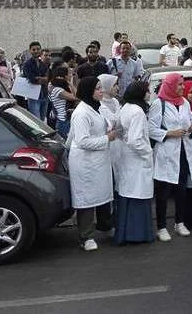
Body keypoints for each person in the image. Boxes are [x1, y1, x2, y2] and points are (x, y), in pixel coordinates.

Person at [68, 76, 116, 251]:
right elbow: (82, 141)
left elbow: (109, 121)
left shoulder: (97, 107)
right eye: (97, 88)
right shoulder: (81, 113)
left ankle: (105, 225)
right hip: (85, 161)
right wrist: (107, 138)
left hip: (99, 159)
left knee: (103, 194)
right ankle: (86, 236)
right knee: (87, 199)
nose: (101, 91)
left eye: (101, 87)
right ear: (89, 91)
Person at [149, 73, 192, 242]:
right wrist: (169, 133)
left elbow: (189, 121)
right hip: (166, 153)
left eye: (183, 84)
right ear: (170, 85)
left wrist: (191, 126)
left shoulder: (184, 103)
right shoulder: (159, 104)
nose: (182, 87)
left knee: (181, 191)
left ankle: (180, 222)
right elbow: (150, 129)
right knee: (163, 192)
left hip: (183, 151)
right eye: (179, 85)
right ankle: (161, 226)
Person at [114, 81, 155, 245]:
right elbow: (135, 140)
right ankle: (137, 234)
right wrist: (148, 152)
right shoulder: (138, 111)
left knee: (128, 194)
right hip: (137, 158)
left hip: (127, 158)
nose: (149, 94)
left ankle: (125, 233)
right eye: (147, 91)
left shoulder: (125, 107)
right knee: (138, 195)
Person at [23, 42, 49, 121]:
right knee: (37, 122)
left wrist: (41, 79)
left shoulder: (43, 64)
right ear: (30, 51)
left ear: (40, 50)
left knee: (42, 119)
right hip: (33, 96)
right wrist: (42, 79)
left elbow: (48, 78)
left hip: (44, 94)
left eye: (38, 49)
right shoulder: (27, 64)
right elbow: (32, 79)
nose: (36, 51)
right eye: (33, 49)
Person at [49, 66, 76, 138]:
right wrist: (70, 83)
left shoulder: (62, 88)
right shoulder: (57, 90)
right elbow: (76, 97)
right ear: (64, 76)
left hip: (67, 119)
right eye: (69, 73)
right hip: (63, 121)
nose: (71, 75)